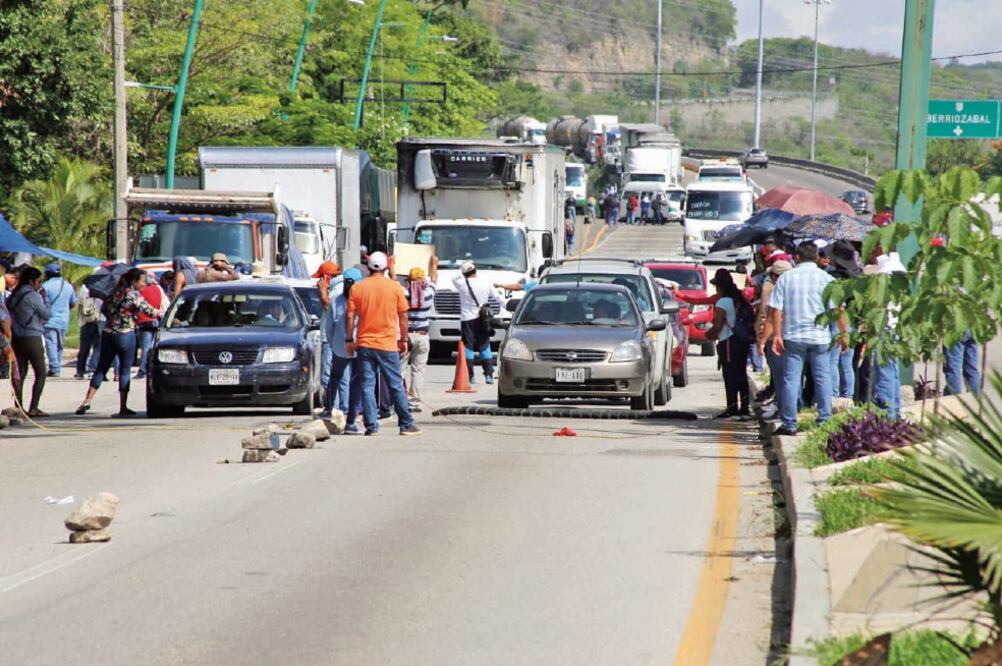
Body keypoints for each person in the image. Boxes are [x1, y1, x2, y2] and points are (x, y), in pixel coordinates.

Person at [769, 242, 845, 436]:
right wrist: (843, 334)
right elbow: (838, 310)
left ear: (796, 257)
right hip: (820, 337)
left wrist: (777, 334)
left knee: (791, 379)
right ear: (816, 257)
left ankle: (789, 424)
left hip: (793, 337)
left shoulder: (786, 278)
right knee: (823, 378)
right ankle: (824, 420)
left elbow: (775, 308)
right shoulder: (827, 279)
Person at [345, 252, 420, 436]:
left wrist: (349, 339)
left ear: (368, 267)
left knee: (367, 385)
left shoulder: (358, 288)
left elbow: (350, 315)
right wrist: (403, 339)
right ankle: (406, 424)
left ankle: (371, 427)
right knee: (395, 384)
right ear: (386, 267)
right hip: (387, 344)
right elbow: (403, 315)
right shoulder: (394, 287)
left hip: (364, 343)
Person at [75, 268, 158, 417]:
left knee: (101, 368)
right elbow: (150, 312)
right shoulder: (134, 295)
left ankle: (87, 400)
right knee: (124, 370)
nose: (144, 284)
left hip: (108, 333)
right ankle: (123, 406)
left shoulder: (112, 293)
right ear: (133, 281)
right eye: (142, 281)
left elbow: (105, 310)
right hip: (126, 334)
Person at [706, 271, 754, 418]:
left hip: (728, 342)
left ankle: (732, 407)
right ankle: (744, 408)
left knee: (730, 375)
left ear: (719, 287)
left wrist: (708, 334)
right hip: (742, 340)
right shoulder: (739, 298)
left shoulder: (722, 302)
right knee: (741, 373)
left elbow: (718, 325)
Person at [8, 266, 51, 416]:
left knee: (20, 373)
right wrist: (46, 299)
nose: (40, 284)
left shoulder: (13, 295)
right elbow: (45, 314)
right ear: (32, 281)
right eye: (39, 281)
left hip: (16, 337)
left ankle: (18, 406)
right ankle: (34, 407)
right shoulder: (33, 296)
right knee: (40, 372)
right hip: (32, 336)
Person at [400, 257, 438, 411]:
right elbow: (434, 278)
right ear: (423, 280)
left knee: (400, 368)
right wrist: (434, 264)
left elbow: (393, 280)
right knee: (418, 371)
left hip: (406, 336)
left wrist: (392, 265)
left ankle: (400, 398)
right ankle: (414, 401)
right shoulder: (428, 294)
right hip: (422, 336)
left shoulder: (404, 294)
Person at [453, 261, 500, 384]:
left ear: (464, 273)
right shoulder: (486, 282)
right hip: (482, 319)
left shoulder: (461, 283)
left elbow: (455, 278)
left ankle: (470, 376)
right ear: (475, 271)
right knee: (484, 346)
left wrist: (462, 273)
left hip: (467, 319)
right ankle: (488, 375)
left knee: (468, 347)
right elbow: (498, 297)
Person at [755, 259, 792, 406]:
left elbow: (766, 314)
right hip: (792, 335)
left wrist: (761, 335)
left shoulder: (770, 288)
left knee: (778, 373)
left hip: (774, 335)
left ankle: (781, 404)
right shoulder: (795, 287)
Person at [39, 263, 76, 377]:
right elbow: (73, 303)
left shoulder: (45, 286)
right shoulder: (68, 286)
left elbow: (40, 303)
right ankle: (57, 365)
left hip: (49, 319)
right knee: (60, 344)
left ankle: (54, 368)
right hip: (63, 319)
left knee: (51, 343)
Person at [314, 260, 342, 399]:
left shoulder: (336, 289)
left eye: (320, 278)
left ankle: (331, 406)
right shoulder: (337, 288)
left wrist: (322, 291)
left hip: (330, 338)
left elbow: (329, 308)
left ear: (326, 277)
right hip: (336, 338)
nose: (318, 281)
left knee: (327, 373)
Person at [134, 272, 166, 379]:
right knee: (152, 347)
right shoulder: (157, 289)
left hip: (144, 321)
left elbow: (138, 303)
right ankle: (151, 370)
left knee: (146, 348)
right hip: (155, 320)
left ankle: (142, 371)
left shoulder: (143, 290)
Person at [75, 280, 103, 379]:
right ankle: (92, 369)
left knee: (84, 347)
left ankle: (80, 370)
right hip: (100, 319)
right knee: (98, 347)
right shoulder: (104, 287)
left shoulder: (84, 288)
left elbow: (79, 303)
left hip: (86, 319)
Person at [943, 331, 981, 396]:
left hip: (956, 328)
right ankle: (976, 399)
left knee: (953, 368)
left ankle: (954, 399)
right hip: (973, 326)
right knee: (971, 368)